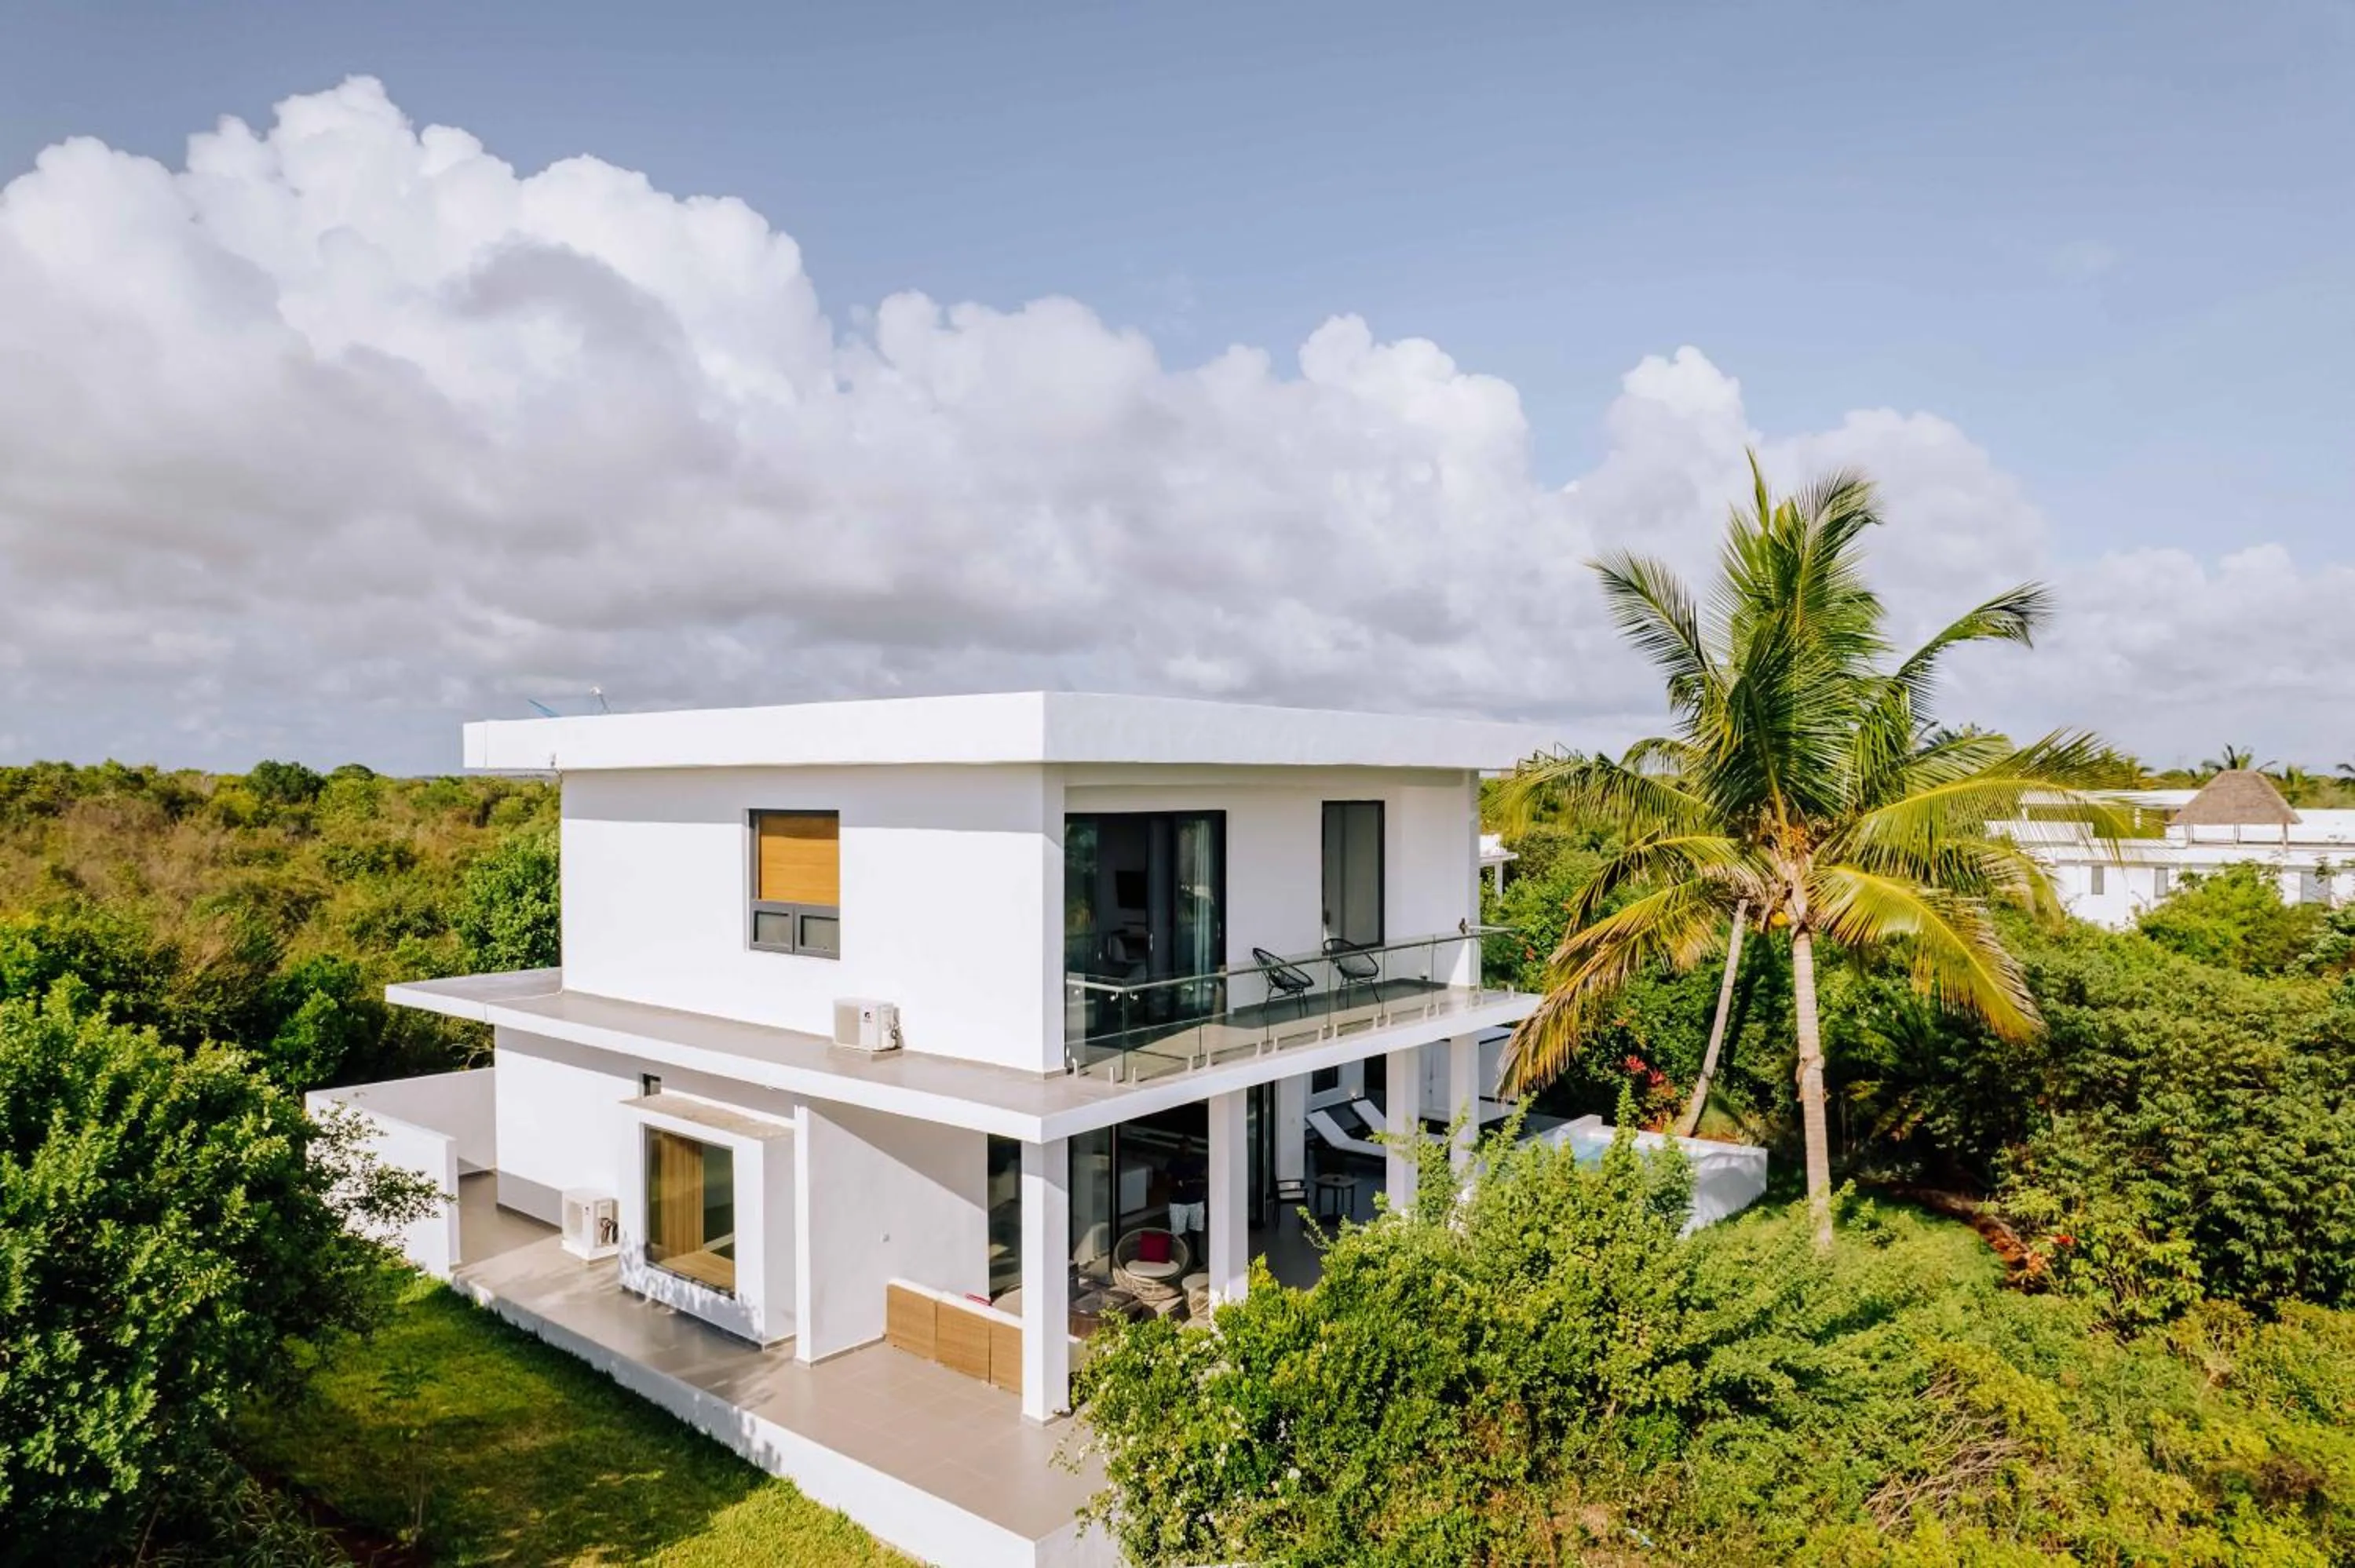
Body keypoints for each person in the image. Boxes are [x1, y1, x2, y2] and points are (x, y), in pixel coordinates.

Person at [1165, 1136, 1208, 1246]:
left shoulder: (1198, 1161)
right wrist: (1180, 1183)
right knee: (1178, 1233)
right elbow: (1167, 1182)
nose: (1185, 1150)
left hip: (1196, 1201)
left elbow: (1205, 1179)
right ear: (1179, 1148)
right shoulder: (1173, 1162)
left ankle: (1195, 1256)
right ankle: (1180, 1255)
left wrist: (1195, 1182)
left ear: (1191, 1148)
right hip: (1178, 1202)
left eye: (1188, 1148)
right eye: (1183, 1148)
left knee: (1195, 1231)